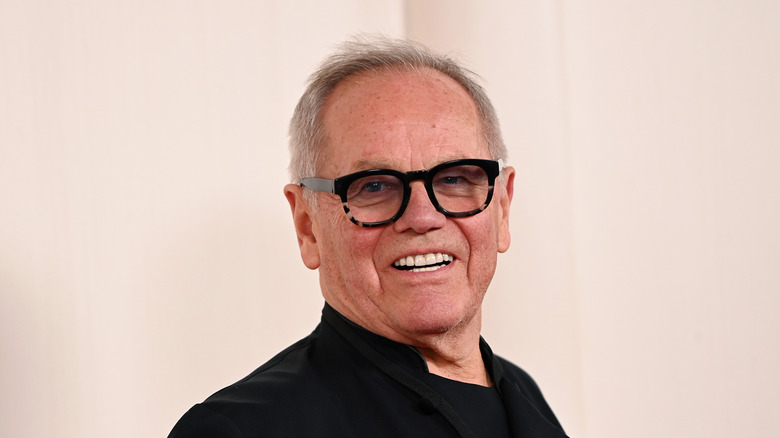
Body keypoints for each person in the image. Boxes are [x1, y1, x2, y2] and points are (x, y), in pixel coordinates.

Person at [168, 36, 567, 438]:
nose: (423, 217)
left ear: (501, 208)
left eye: (454, 178)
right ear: (308, 226)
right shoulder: (242, 430)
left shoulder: (523, 394)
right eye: (374, 186)